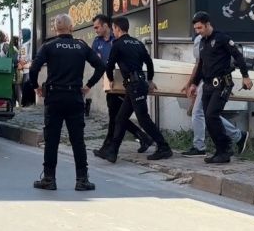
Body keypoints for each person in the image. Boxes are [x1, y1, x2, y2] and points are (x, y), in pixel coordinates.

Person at [27, 13, 105, 191]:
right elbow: (100, 66)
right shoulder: (81, 46)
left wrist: (36, 86)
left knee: (52, 139)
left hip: (54, 98)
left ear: (55, 29)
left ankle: (49, 178)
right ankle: (82, 179)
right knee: (78, 140)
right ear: (72, 27)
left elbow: (34, 68)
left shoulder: (49, 46)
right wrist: (88, 85)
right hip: (74, 97)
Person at [97, 16, 173, 163]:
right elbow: (149, 62)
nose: (113, 31)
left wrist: (111, 80)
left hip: (134, 86)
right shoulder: (137, 43)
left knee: (143, 119)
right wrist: (150, 79)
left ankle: (164, 147)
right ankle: (112, 152)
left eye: (113, 29)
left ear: (117, 29)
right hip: (138, 84)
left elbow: (109, 65)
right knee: (120, 118)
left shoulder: (117, 44)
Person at [186, 11, 253, 164]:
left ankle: (226, 148)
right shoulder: (202, 42)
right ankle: (220, 150)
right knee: (209, 119)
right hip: (208, 85)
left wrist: (246, 76)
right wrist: (194, 84)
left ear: (208, 24)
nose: (198, 31)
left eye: (200, 28)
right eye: (196, 29)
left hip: (222, 83)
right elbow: (201, 65)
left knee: (211, 115)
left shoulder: (222, 38)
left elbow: (238, 56)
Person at [91, 14, 153, 157]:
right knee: (117, 116)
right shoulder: (97, 42)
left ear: (106, 26)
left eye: (97, 27)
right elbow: (98, 62)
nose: (95, 30)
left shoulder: (118, 40)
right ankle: (142, 137)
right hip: (110, 84)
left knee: (117, 117)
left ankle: (109, 147)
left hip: (125, 83)